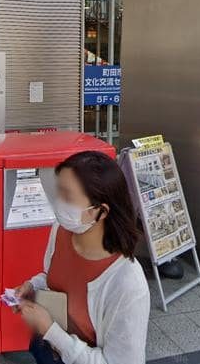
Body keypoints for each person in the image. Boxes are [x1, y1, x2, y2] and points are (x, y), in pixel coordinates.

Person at [12, 151, 150, 364]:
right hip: (46, 351)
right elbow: (53, 278)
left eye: (67, 197)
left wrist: (50, 330)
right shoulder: (60, 231)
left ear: (100, 212)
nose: (58, 203)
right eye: (58, 192)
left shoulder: (128, 283)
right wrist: (33, 286)